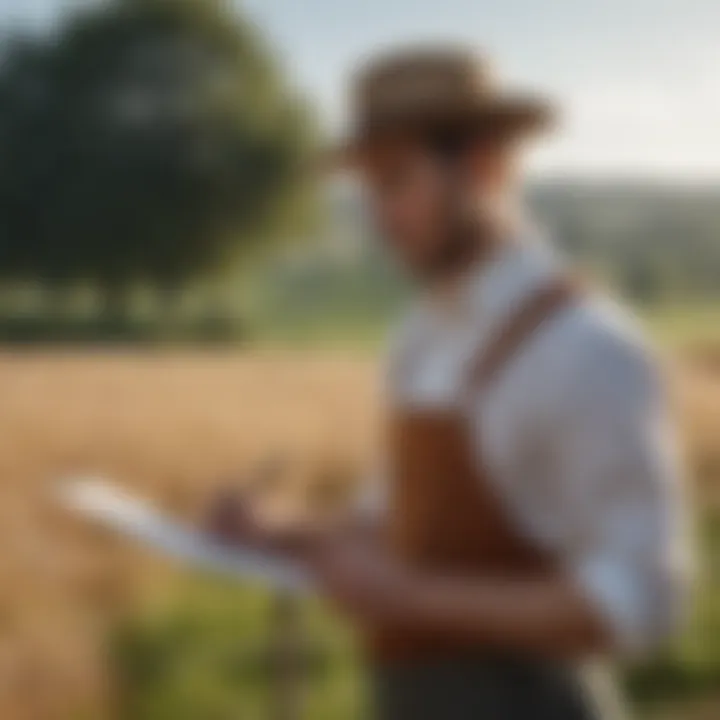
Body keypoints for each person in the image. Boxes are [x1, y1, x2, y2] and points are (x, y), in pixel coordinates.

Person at [207, 45, 691, 719]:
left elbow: (641, 600)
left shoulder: (586, 349)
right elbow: (394, 525)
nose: (379, 218)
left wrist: (405, 600)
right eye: (369, 189)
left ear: (485, 166)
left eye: (398, 182)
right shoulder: (422, 335)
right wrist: (279, 536)